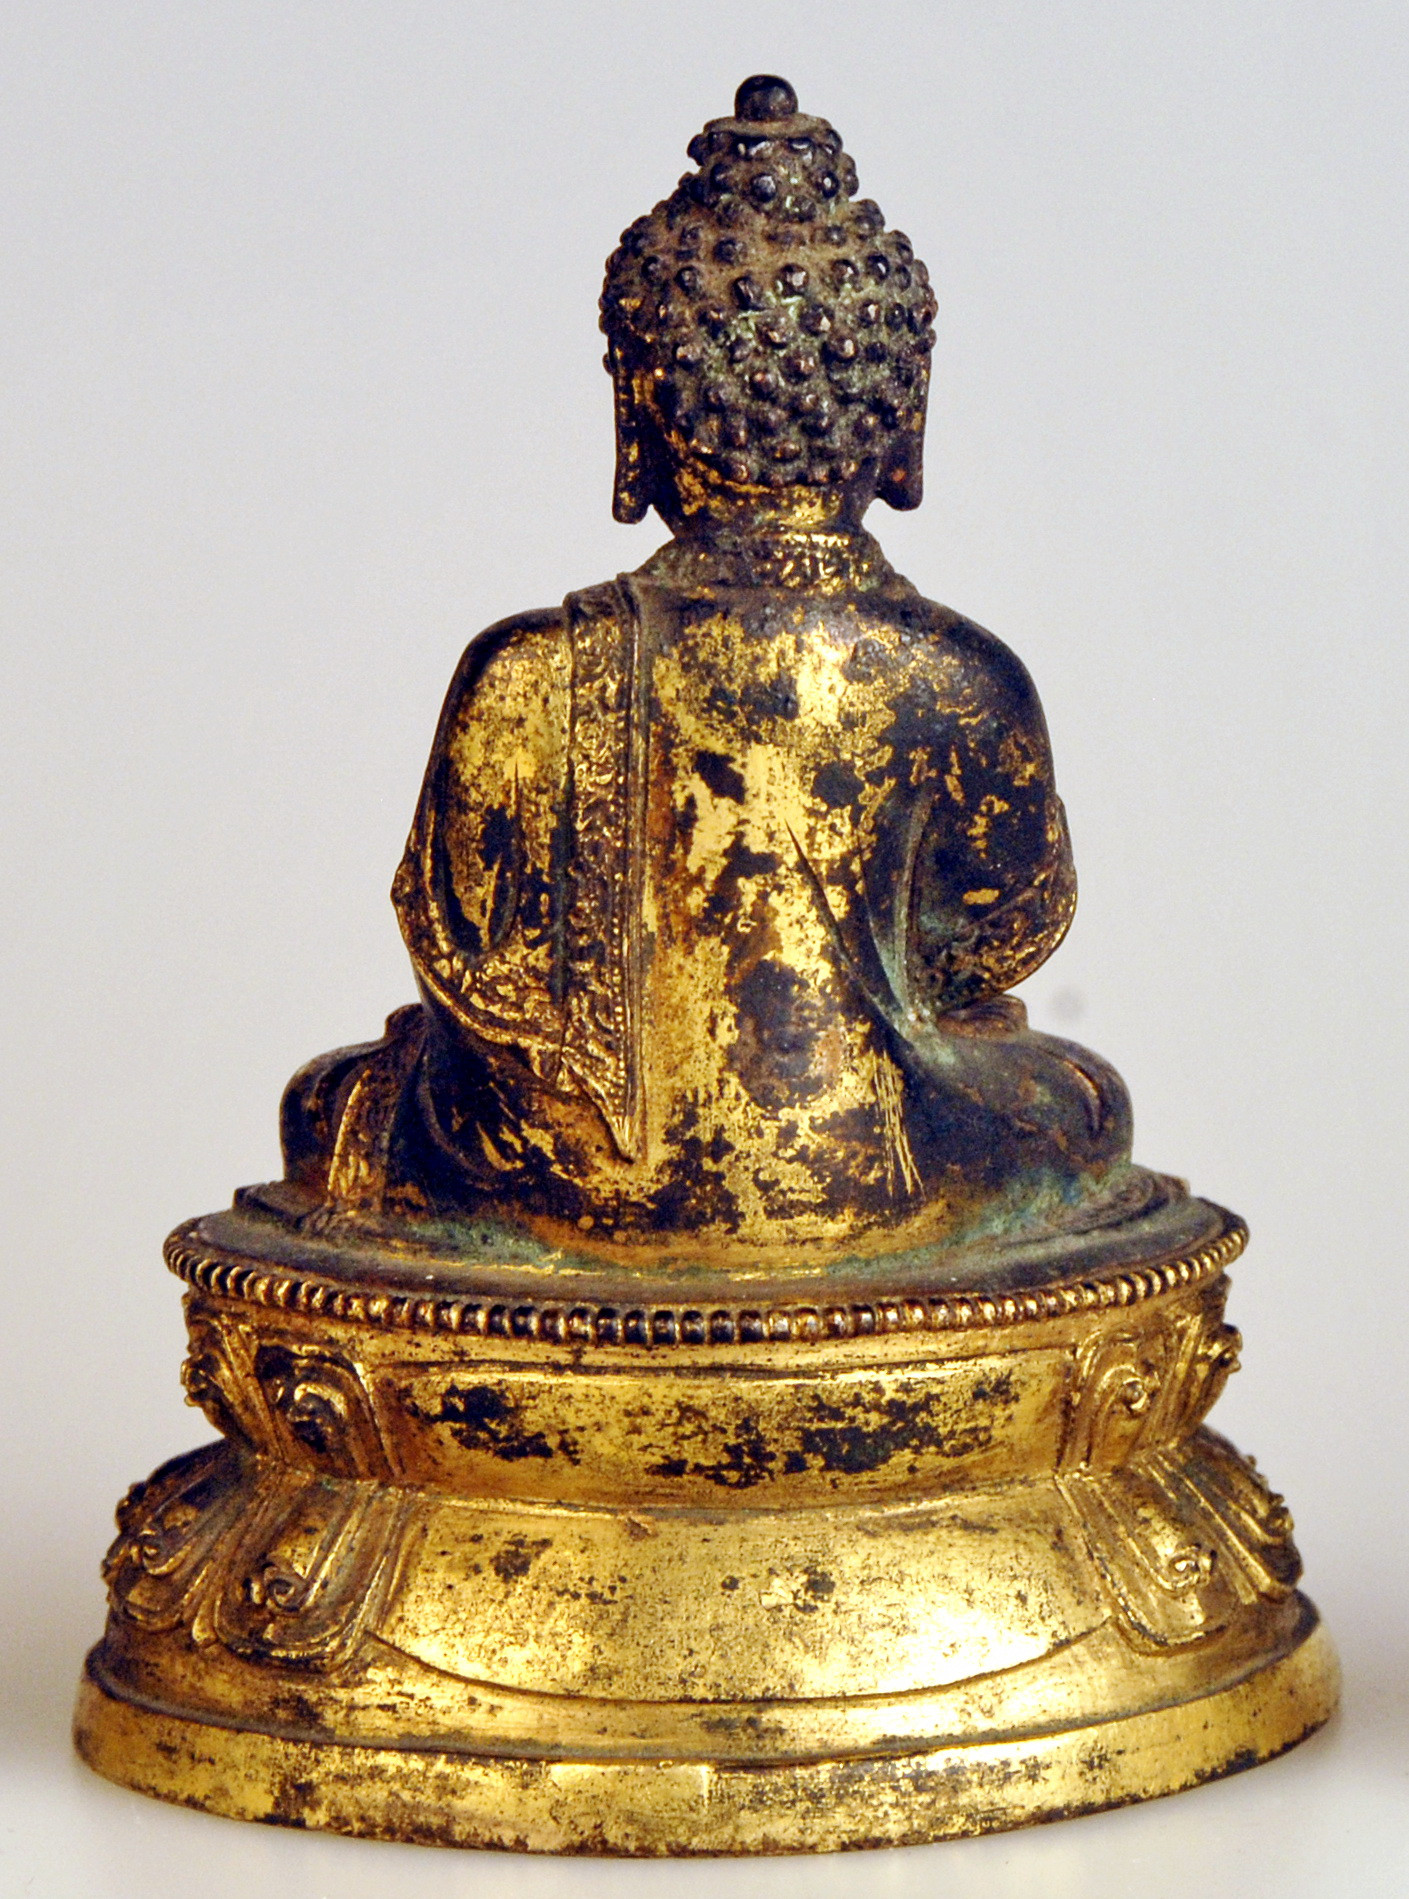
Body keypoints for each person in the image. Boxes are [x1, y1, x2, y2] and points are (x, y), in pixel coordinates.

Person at [280, 77, 1134, 1263]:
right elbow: (990, 941)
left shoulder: (525, 669)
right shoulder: (963, 677)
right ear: (904, 417)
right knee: (1079, 1100)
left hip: (564, 1182)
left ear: (635, 411)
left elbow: (476, 972)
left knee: (330, 1106)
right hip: (881, 1161)